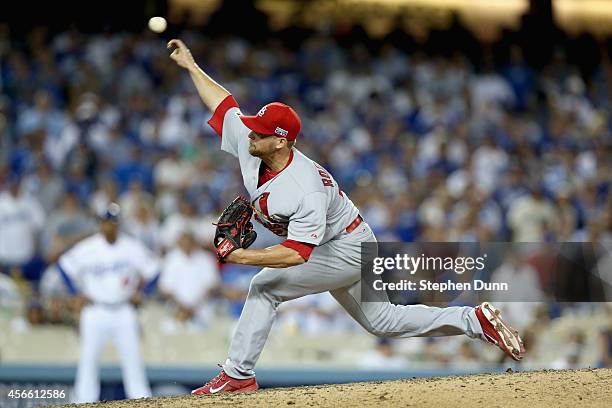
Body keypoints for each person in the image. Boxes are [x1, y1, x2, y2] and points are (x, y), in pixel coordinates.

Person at [168, 39, 525, 395]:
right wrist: (191, 65)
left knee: (264, 286)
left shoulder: (303, 186)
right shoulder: (254, 143)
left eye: (259, 130)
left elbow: (296, 255)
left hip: (346, 248)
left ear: (280, 142)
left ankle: (238, 375)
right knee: (384, 321)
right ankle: (474, 320)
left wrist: (241, 256)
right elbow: (225, 104)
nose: (250, 130)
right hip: (349, 239)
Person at [56, 203, 158, 403]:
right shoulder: (88, 247)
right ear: (100, 224)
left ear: (117, 223)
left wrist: (142, 292)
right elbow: (64, 266)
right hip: (95, 309)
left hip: (124, 310)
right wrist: (75, 293)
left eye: (112, 222)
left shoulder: (131, 246)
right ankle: (83, 402)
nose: (109, 226)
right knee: (88, 361)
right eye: (105, 222)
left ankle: (141, 401)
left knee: (133, 361)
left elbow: (154, 270)